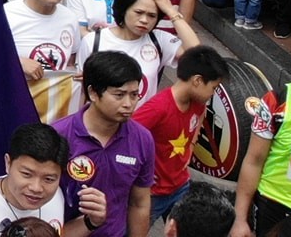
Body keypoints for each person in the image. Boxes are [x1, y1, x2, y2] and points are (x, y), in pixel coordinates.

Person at [51, 51, 154, 237]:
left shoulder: (143, 139)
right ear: (92, 93)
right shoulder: (58, 135)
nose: (128, 104)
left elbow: (139, 203)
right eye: (119, 95)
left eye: (134, 95)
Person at [132, 46, 229, 220]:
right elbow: (126, 136)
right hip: (152, 195)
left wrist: (190, 145)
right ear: (197, 81)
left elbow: (200, 117)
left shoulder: (198, 103)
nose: (213, 94)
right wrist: (139, 172)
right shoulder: (158, 108)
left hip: (181, 186)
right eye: (213, 88)